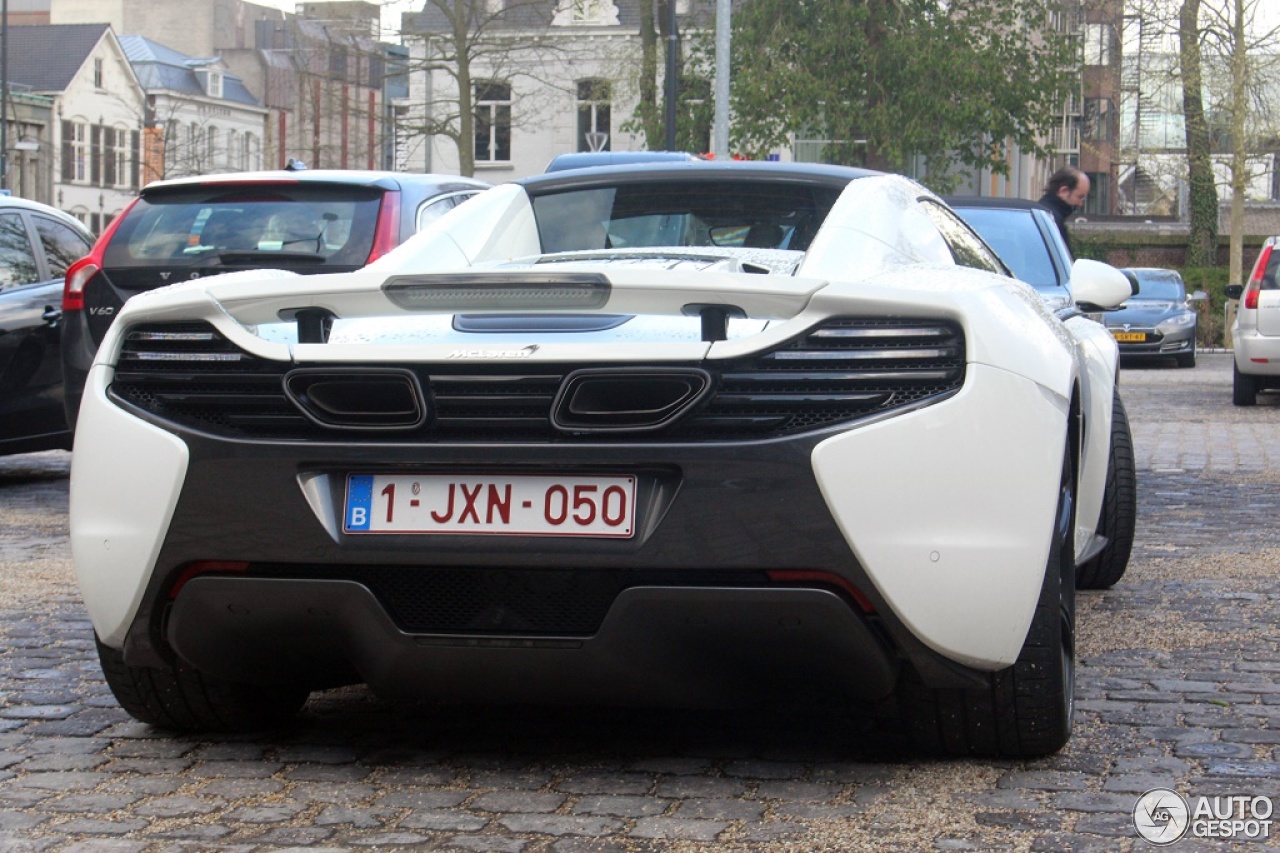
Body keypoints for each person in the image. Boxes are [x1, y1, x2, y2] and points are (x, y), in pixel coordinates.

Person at [1038, 166, 1090, 256]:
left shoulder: (1040, 212)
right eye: (1080, 197)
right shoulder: (1052, 220)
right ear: (1063, 191)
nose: (1080, 204)